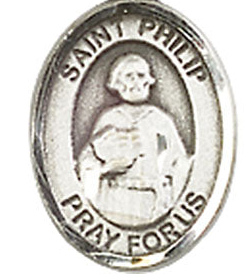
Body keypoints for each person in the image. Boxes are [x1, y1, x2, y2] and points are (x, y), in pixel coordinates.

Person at [77, 53, 190, 226]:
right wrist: (105, 167)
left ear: (149, 81)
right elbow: (87, 161)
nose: (136, 82)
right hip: (113, 202)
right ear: (118, 83)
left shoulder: (160, 120)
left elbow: (178, 162)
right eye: (129, 76)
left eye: (141, 75)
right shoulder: (109, 118)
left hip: (153, 206)